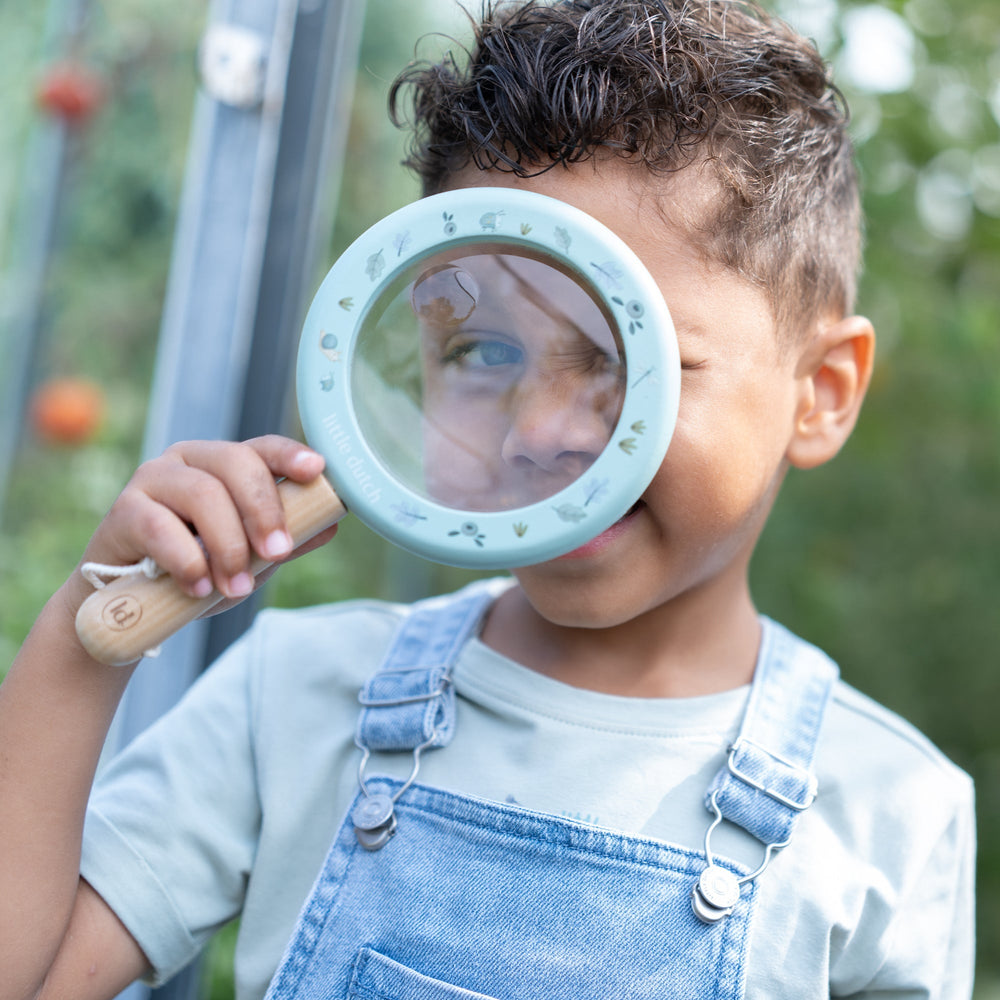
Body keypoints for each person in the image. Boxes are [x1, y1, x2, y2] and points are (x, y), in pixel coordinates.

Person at [0, 1, 975, 998]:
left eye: (620, 356)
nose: (541, 428)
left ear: (819, 393)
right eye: (481, 350)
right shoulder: (293, 697)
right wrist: (86, 638)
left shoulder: (888, 811)